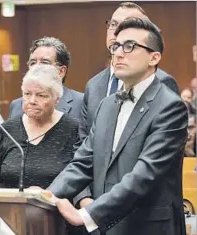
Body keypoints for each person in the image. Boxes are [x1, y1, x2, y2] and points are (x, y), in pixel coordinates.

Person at [47, 17, 188, 235]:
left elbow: (144, 174)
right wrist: (46, 197)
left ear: (154, 57)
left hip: (147, 228)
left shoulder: (170, 106)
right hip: (105, 229)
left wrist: (87, 214)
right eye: (115, 46)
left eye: (129, 46)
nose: (118, 53)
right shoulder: (107, 104)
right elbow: (83, 162)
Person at [76, 1, 180, 210]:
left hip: (141, 209)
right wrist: (83, 197)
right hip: (94, 209)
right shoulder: (94, 85)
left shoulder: (163, 84)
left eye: (127, 25)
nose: (117, 31)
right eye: (113, 24)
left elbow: (154, 163)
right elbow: (83, 145)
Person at [0, 64, 79, 190]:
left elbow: (78, 180)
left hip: (55, 207)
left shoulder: (73, 129)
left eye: (41, 95)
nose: (32, 100)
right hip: (10, 208)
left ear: (57, 99)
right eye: (27, 94)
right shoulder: (7, 129)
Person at [9, 37, 83, 120]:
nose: (36, 67)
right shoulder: (17, 105)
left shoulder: (81, 102)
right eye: (32, 63)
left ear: (61, 71)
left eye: (44, 63)